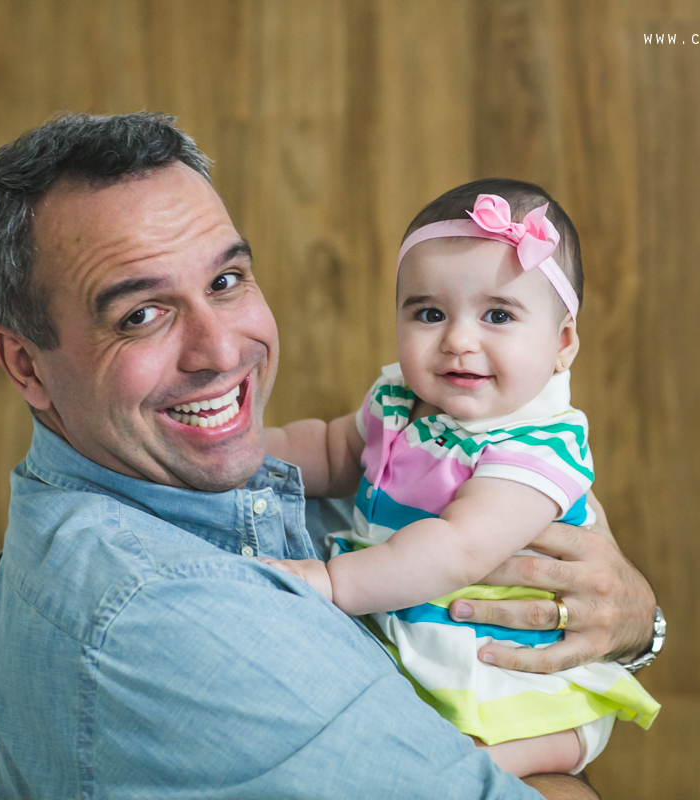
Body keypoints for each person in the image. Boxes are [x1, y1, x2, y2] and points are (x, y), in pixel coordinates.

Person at [0, 112, 662, 799]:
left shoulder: (170, 487)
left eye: (226, 282)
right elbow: (335, 449)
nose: (223, 350)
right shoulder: (171, 618)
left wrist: (637, 626)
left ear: (563, 339)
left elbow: (420, 524)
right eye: (140, 315)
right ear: (27, 365)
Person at [263, 181, 659, 777]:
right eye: (429, 313)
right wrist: (253, 455)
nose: (458, 340)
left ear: (563, 342)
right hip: (413, 625)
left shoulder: (541, 447)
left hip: (504, 663)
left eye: (498, 315)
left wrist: (332, 582)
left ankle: (482, 765)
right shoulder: (398, 400)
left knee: (487, 754)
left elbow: (456, 547)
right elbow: (330, 446)